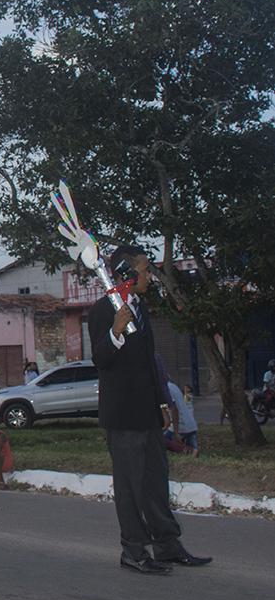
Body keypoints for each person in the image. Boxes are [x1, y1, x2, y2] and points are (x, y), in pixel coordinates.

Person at [89, 245, 212, 575]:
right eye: (144, 270)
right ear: (127, 273)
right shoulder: (104, 310)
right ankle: (133, 550)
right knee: (130, 486)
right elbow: (100, 360)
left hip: (147, 412)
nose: (149, 276)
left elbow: (149, 364)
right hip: (122, 415)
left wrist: (163, 403)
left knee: (156, 481)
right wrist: (115, 330)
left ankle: (167, 545)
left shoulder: (139, 307)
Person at [168, 377, 199, 454]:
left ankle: (188, 450)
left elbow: (174, 409)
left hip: (180, 425)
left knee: (162, 441)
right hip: (191, 424)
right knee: (192, 449)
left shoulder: (165, 389)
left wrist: (176, 432)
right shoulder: (173, 386)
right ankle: (191, 451)